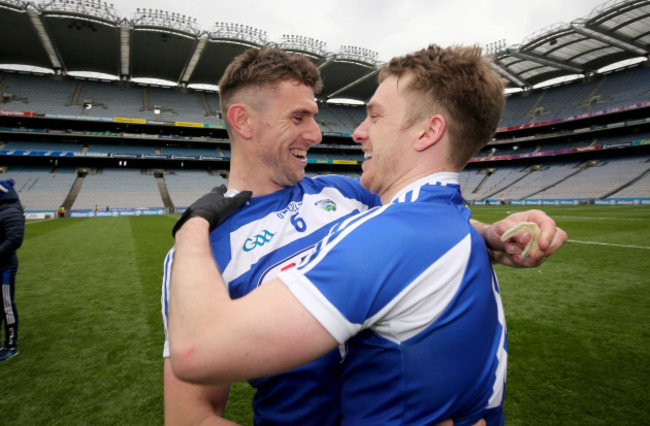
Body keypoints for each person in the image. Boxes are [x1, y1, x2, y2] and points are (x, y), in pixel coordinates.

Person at [161, 47, 567, 425]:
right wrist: (192, 232)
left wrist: (489, 237)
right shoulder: (196, 258)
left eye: (315, 117)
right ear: (243, 120)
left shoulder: (346, 191)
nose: (317, 134)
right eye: (298, 118)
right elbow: (190, 417)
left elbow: (415, 229)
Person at [0, 178, 25, 362]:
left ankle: (11, 345)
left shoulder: (10, 210)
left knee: (7, 306)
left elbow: (15, 240)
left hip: (5, 267)